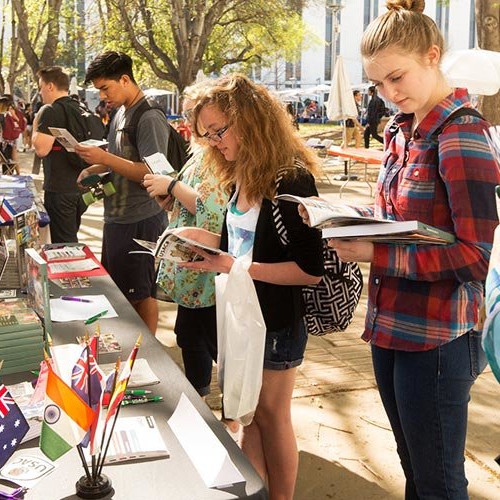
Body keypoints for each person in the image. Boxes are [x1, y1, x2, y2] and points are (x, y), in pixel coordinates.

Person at [307, 2, 499, 498]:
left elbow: (476, 257)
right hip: (389, 322)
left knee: (438, 481)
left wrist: (376, 253)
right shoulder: (400, 130)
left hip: (439, 334)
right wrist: (349, 224)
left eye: (397, 78)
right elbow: (403, 223)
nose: (390, 95)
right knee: (414, 469)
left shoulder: (461, 133)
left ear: (432, 56)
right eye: (378, 85)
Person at [181, 74, 324, 500]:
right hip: (241, 317)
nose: (214, 142)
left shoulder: (290, 179)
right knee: (249, 416)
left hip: (275, 322)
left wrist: (235, 266)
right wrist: (203, 244)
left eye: (219, 131)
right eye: (207, 135)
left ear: (252, 120)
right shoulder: (240, 171)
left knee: (271, 416)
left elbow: (309, 270)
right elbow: (241, 243)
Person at [74, 51, 171, 334]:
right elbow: (121, 158)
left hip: (141, 219)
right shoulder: (119, 113)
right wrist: (95, 167)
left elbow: (153, 174)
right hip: (118, 217)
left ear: (125, 79)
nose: (102, 96)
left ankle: (146, 357)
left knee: (140, 293)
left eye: (105, 88)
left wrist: (103, 159)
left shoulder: (149, 115)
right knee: (125, 293)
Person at [141, 83, 228, 397]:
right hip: (191, 272)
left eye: (198, 114)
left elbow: (213, 211)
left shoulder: (221, 154)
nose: (195, 122)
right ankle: (200, 399)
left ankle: (231, 419)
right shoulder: (201, 152)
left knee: (214, 343)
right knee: (190, 339)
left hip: (210, 274)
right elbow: (193, 201)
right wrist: (171, 199)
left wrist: (174, 187)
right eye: (191, 113)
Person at [33, 66, 90, 243]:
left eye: (41, 86)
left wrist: (36, 123)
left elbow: (41, 149)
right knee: (71, 235)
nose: (40, 91)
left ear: (50, 86)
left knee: (63, 244)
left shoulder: (50, 111)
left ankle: (73, 271)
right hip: (83, 186)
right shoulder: (81, 108)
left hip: (59, 189)